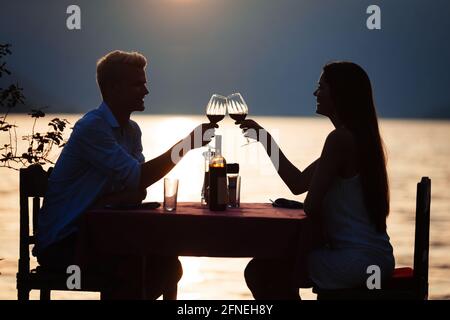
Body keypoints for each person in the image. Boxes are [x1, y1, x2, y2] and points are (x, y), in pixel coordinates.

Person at [34, 50, 217, 299]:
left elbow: (137, 190)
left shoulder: (131, 131)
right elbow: (138, 179)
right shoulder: (93, 127)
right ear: (113, 88)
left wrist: (120, 194)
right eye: (137, 84)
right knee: (137, 268)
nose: (145, 91)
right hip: (65, 244)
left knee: (168, 264)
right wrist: (186, 145)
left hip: (103, 234)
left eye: (144, 83)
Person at [240, 61, 395, 299]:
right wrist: (264, 138)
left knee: (262, 271)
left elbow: (310, 205)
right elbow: (298, 183)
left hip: (356, 263)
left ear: (339, 93)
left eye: (321, 87)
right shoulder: (360, 138)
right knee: (271, 268)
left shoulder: (339, 139)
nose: (315, 93)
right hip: (377, 260)